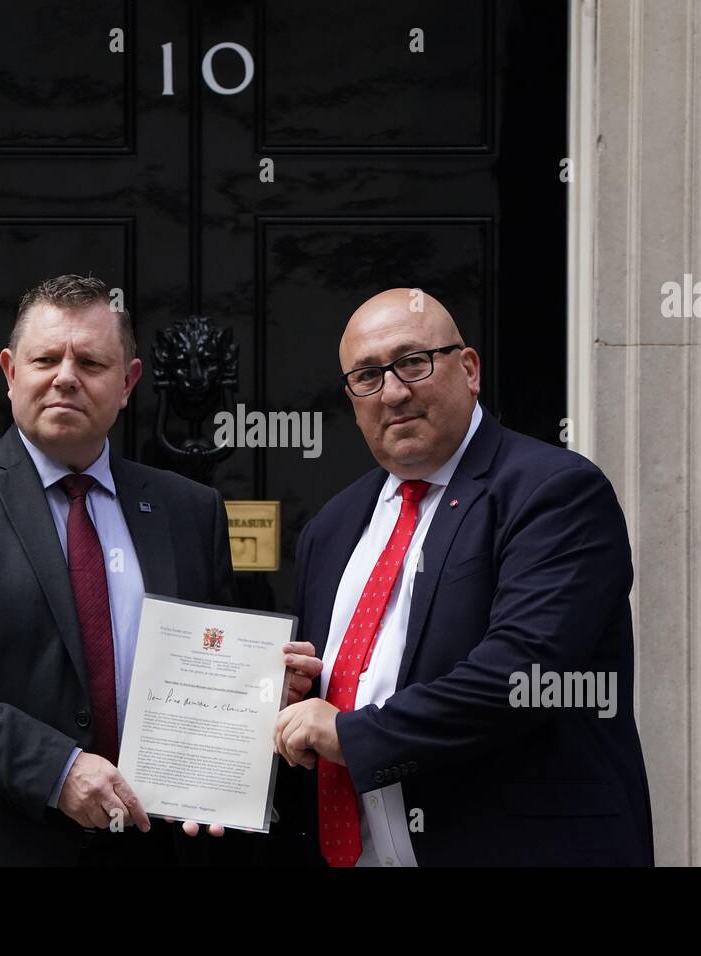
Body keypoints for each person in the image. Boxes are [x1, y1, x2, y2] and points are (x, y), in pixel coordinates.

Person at [0, 274, 316, 865]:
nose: (66, 377)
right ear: (10, 372)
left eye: (92, 362)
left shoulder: (188, 510)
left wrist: (258, 696)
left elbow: (205, 673)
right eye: (45, 358)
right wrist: (58, 770)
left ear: (127, 383)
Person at [273, 288, 654, 866]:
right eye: (368, 376)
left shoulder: (553, 492)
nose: (394, 393)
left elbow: (523, 674)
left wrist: (349, 735)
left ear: (469, 368)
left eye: (412, 363)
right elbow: (331, 697)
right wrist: (295, 692)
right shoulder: (332, 528)